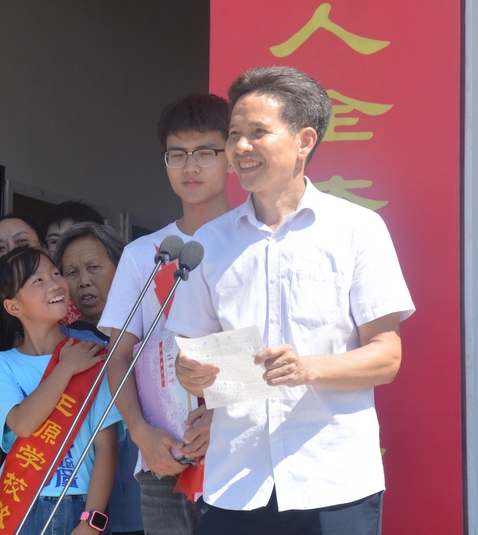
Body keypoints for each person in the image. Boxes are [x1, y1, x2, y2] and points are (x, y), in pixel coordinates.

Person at [169, 66, 415, 534]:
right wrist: (189, 372)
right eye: (234, 134)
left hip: (334, 480)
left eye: (257, 133)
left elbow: (387, 356)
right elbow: (190, 352)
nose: (240, 148)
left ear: (304, 140)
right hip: (235, 480)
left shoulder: (358, 230)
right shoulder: (208, 244)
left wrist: (307, 368)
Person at [97, 93, 231, 535]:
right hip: (163, 458)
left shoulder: (253, 244)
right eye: (177, 154)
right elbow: (119, 355)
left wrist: (225, 417)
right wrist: (139, 431)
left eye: (205, 152)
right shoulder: (143, 254)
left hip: (237, 454)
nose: (190, 166)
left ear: (232, 156)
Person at [0, 247, 120, 535]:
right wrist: (66, 368)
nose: (55, 284)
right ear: (14, 306)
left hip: (83, 506)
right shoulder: (0, 365)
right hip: (24, 505)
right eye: (37, 280)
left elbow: (106, 447)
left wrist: (92, 522)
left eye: (55, 273)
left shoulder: (92, 355)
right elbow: (22, 423)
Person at [54, 223, 143, 535]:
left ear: (121, 268)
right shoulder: (60, 345)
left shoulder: (152, 329)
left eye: (93, 267)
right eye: (72, 272)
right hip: (80, 512)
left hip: (150, 500)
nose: (84, 281)